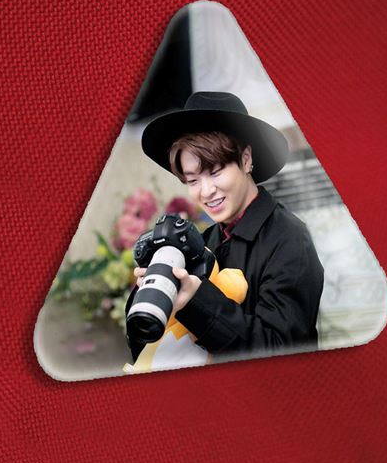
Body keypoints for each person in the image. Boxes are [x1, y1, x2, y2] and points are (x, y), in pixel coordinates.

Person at [125, 90, 324, 366]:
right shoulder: (204, 241)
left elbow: (281, 350)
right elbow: (150, 348)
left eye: (215, 172)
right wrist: (151, 290)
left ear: (246, 159)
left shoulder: (289, 238)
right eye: (192, 180)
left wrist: (195, 302)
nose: (206, 191)